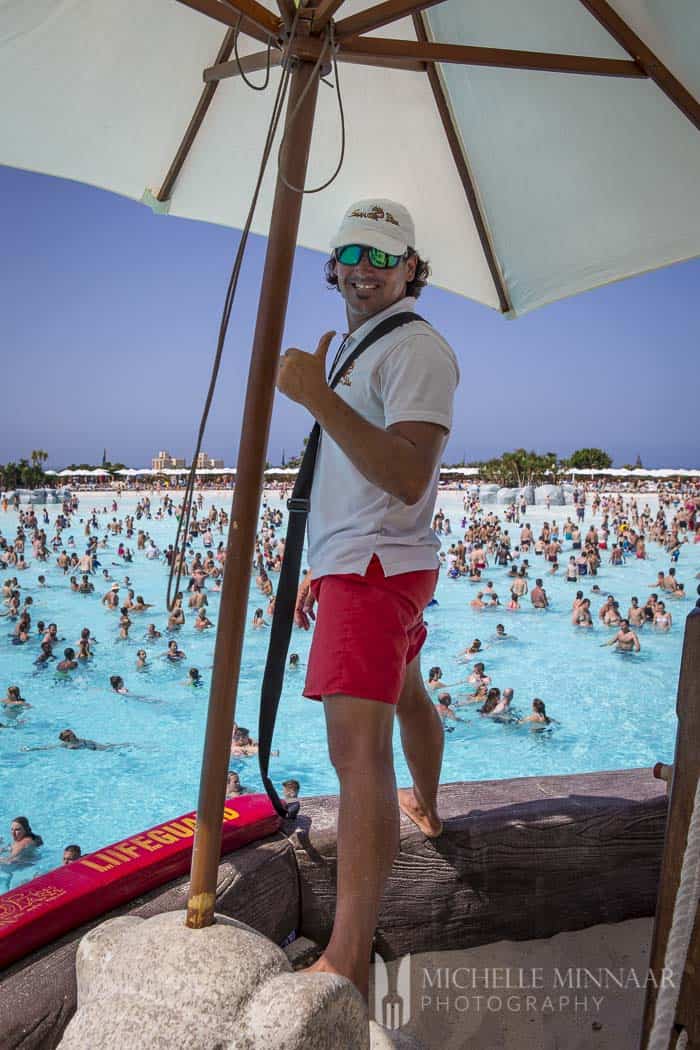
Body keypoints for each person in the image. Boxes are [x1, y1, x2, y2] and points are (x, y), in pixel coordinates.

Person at [276, 198, 458, 998]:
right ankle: (428, 802)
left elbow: (408, 470)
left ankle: (347, 956)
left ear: (412, 268)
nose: (363, 267)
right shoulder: (364, 344)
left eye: (384, 256)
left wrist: (315, 395)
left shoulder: (417, 347)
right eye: (351, 252)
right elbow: (359, 471)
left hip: (376, 567)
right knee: (406, 695)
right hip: (376, 560)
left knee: (356, 759)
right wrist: (323, 557)